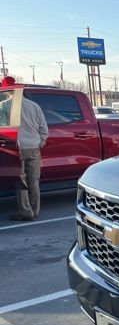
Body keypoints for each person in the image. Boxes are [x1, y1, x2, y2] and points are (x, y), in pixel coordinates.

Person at [2, 76, 49, 221]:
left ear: (7, 91)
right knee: (34, 180)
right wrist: (39, 143)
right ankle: (35, 211)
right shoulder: (34, 106)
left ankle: (26, 213)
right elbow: (44, 129)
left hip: (17, 149)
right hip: (34, 148)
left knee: (21, 181)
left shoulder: (4, 106)